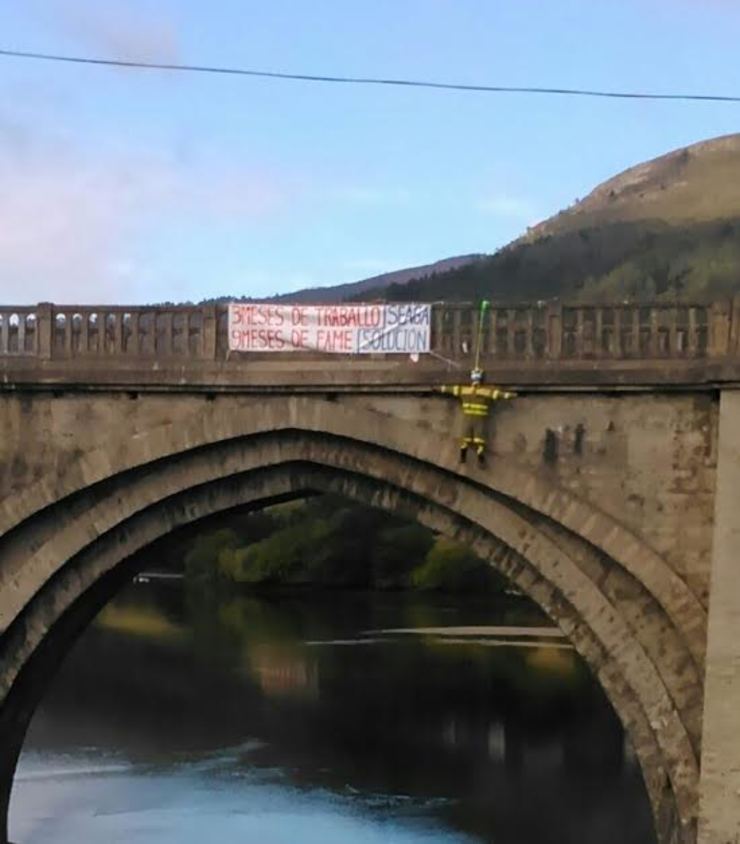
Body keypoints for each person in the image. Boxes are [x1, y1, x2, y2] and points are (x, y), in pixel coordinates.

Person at [439, 368, 515, 464]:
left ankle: (464, 457)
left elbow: (452, 389)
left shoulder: (466, 391)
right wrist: (508, 395)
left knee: (466, 439)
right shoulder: (483, 392)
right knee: (478, 439)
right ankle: (477, 457)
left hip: (470, 419)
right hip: (479, 420)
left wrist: (440, 388)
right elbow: (497, 394)